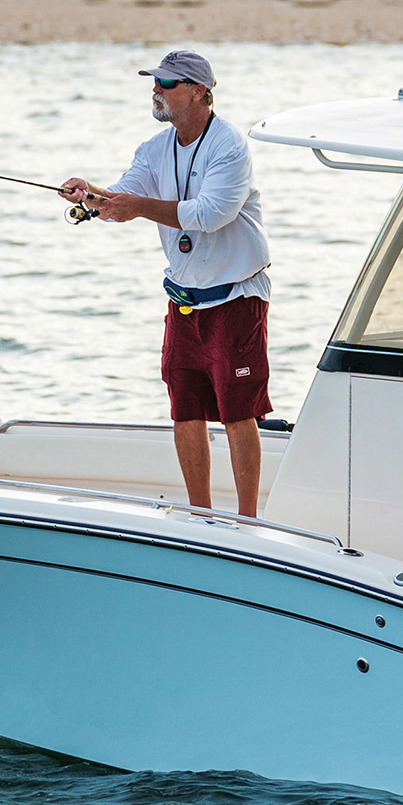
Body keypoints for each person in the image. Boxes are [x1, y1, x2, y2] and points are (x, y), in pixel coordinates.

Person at [62, 48, 276, 515]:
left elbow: (211, 214)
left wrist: (134, 206)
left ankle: (247, 521)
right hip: (183, 300)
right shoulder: (152, 150)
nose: (155, 90)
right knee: (186, 411)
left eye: (167, 83)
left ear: (200, 91)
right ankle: (200, 514)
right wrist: (94, 195)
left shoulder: (229, 145)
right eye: (154, 82)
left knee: (239, 413)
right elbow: (124, 196)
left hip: (236, 296)